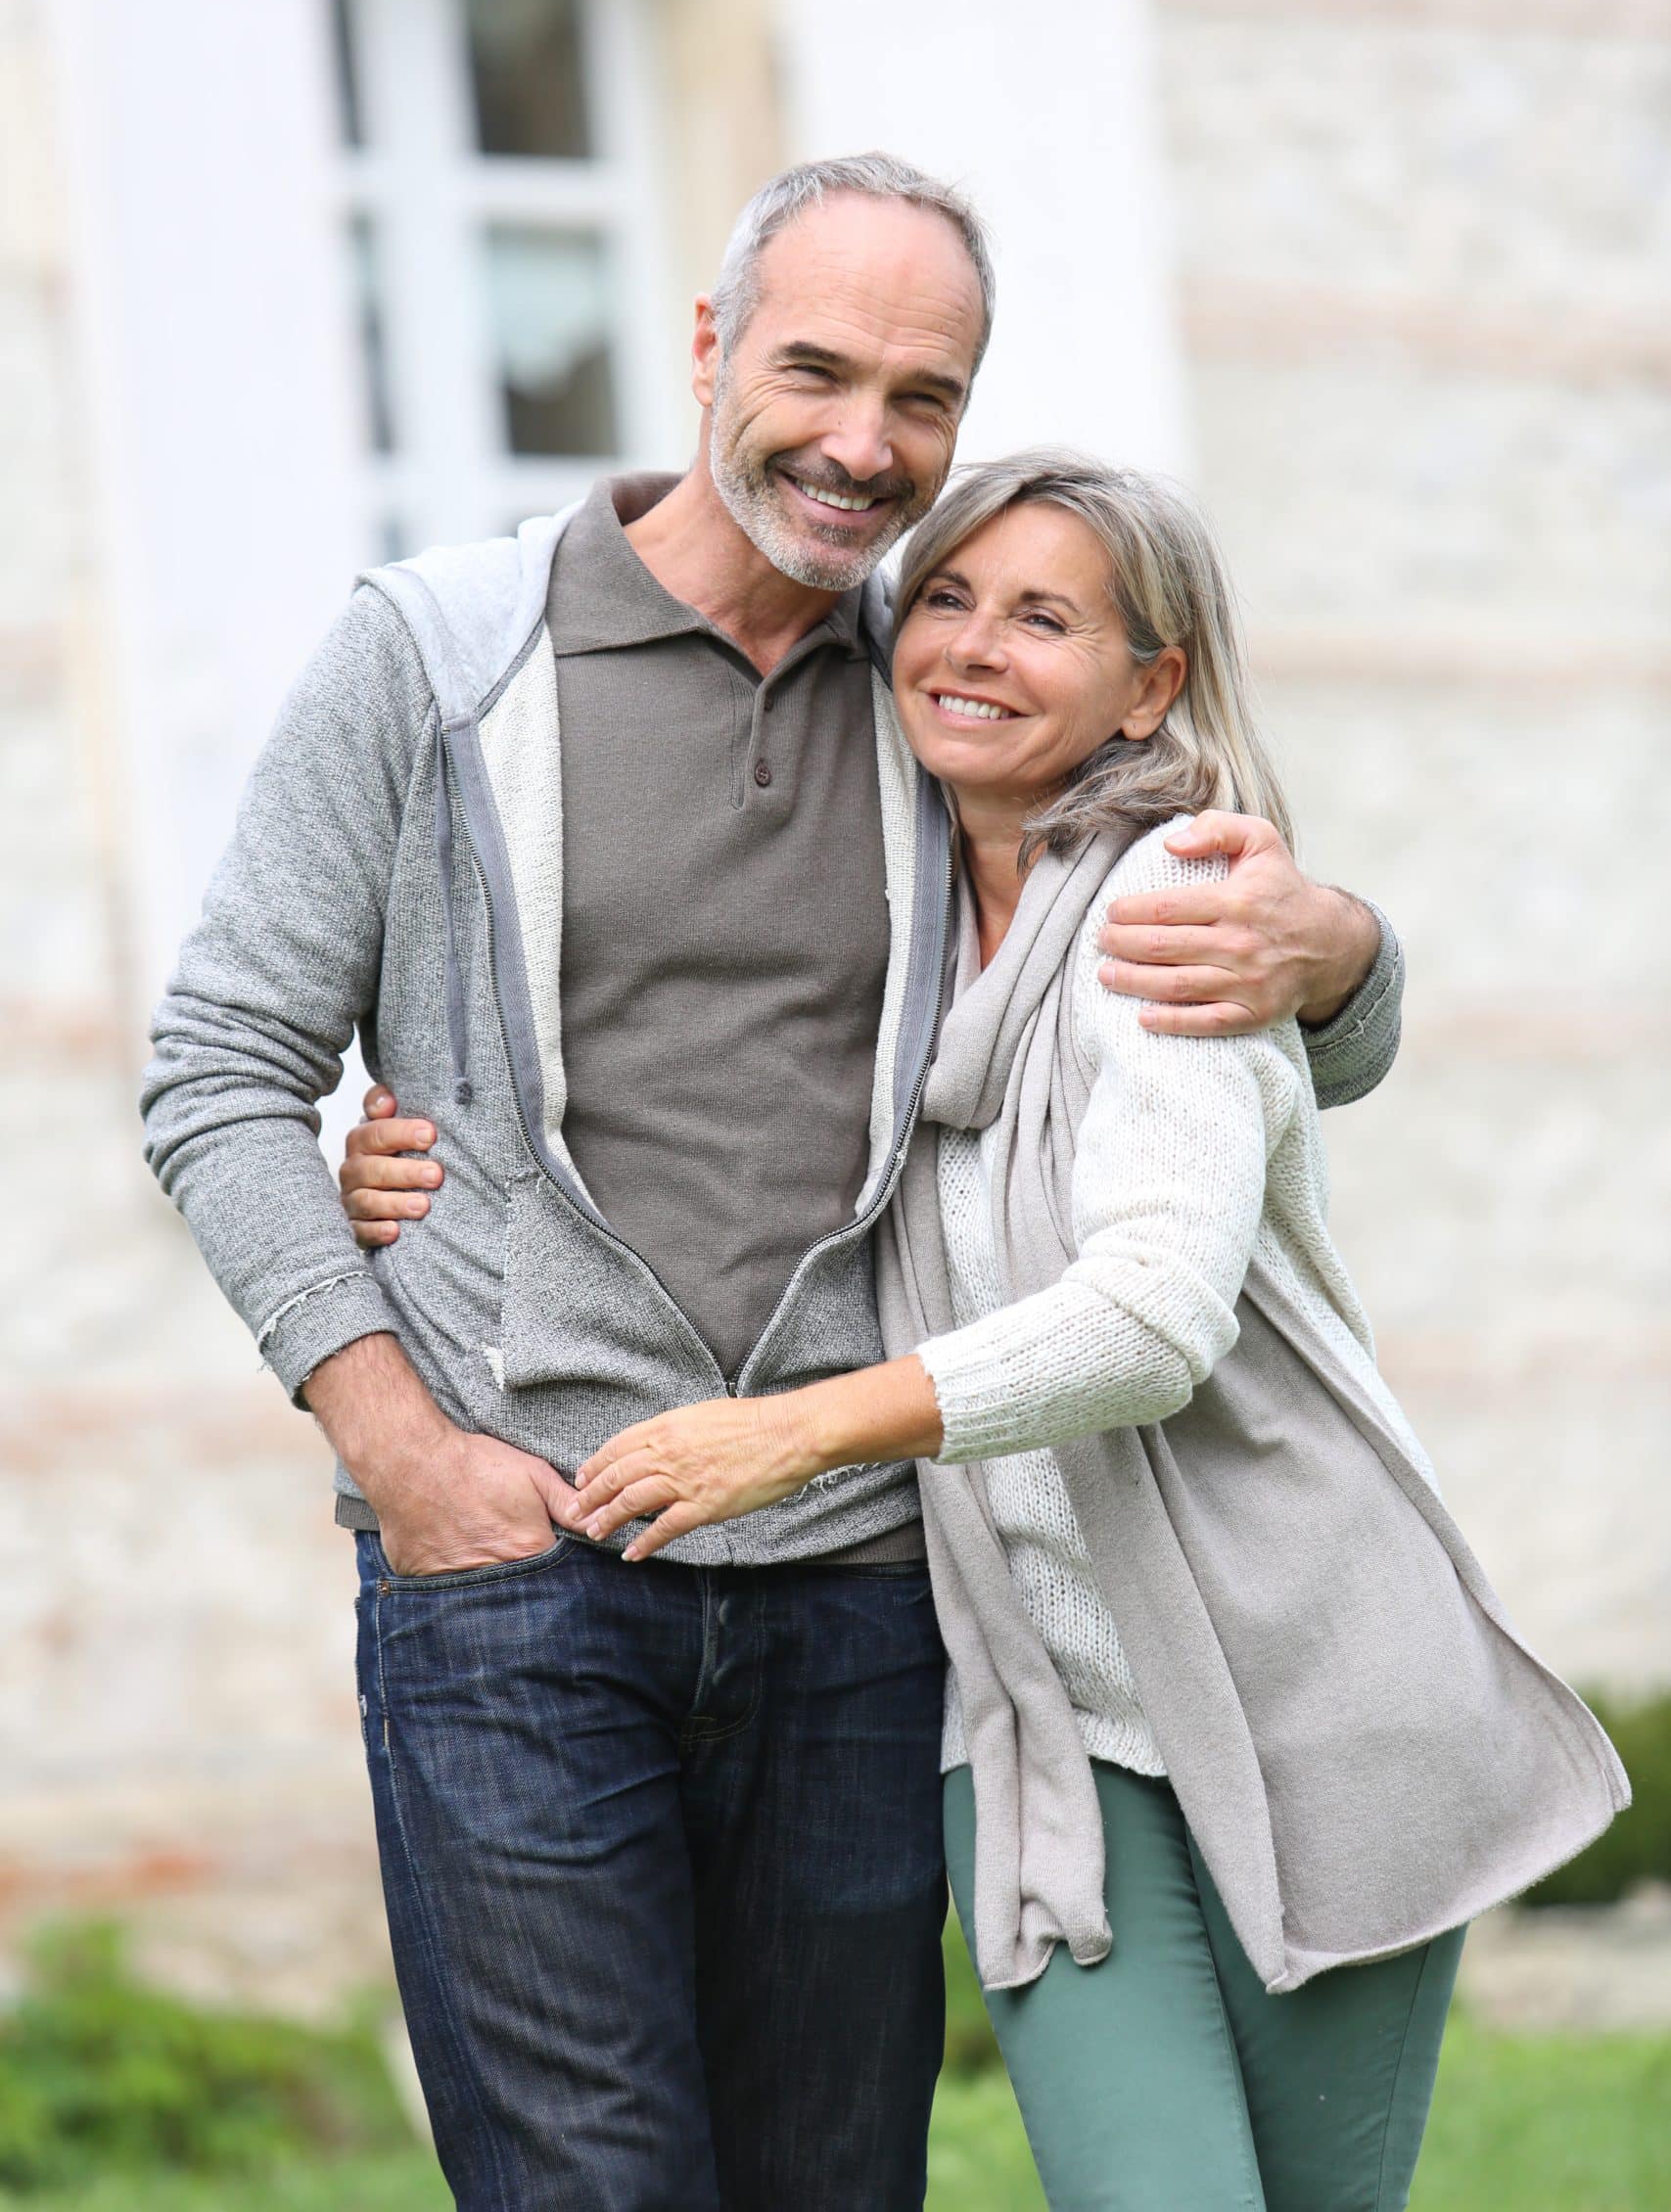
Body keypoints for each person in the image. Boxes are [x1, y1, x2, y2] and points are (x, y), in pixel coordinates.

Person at [143, 157, 1405, 2212]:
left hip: (860, 1586)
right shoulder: (435, 656)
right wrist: (402, 1439)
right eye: (815, 368)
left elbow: (1220, 999)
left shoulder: (945, 681)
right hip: (518, 1561)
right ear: (710, 345)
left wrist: (1335, 941)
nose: (862, 441)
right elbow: (219, 1066)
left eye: (924, 395)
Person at [496, 451, 1626, 2212]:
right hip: (1043, 1739)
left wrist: (791, 1431)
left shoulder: (1176, 919)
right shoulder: (892, 927)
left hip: (1311, 1689)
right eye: (946, 599)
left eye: (1045, 618)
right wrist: (396, 1146)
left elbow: (1150, 1322)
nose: (974, 647)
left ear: (1148, 684)